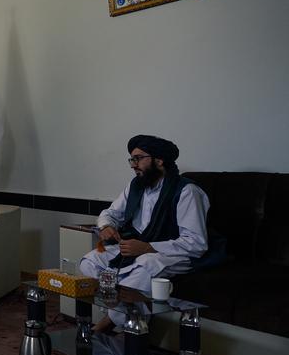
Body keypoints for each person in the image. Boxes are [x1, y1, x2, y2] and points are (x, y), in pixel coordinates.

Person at [80, 135, 211, 331]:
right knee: (91, 261)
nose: (133, 165)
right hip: (135, 248)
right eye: (132, 159)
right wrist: (106, 226)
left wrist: (148, 247)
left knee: (146, 264)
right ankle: (117, 315)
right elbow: (111, 213)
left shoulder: (186, 191)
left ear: (159, 160)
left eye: (138, 158)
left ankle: (126, 327)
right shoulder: (136, 187)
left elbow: (196, 242)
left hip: (170, 254)